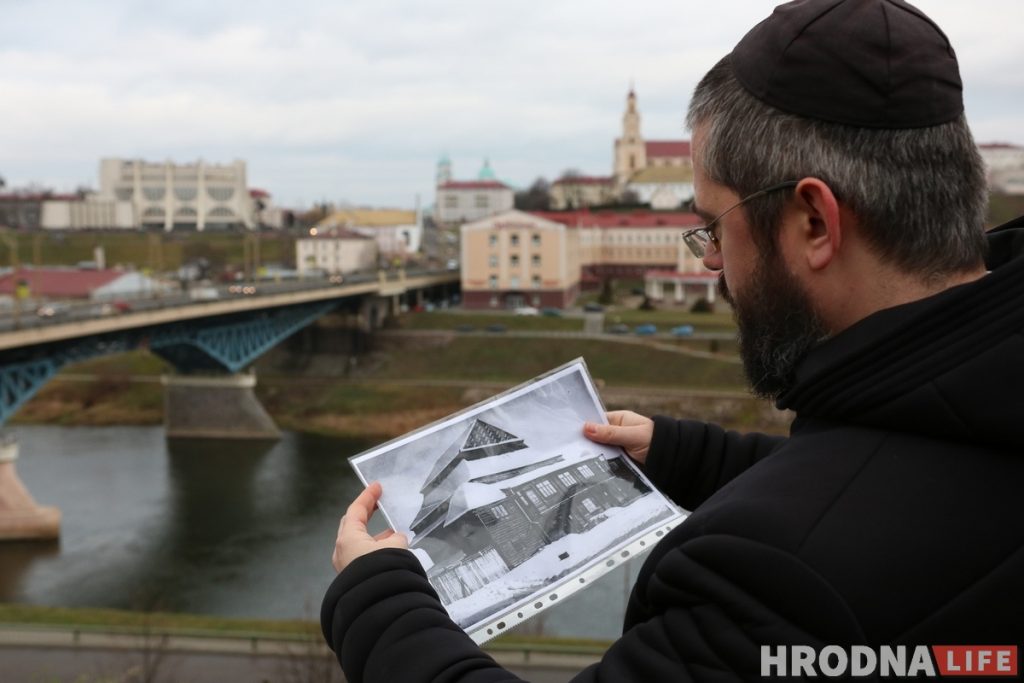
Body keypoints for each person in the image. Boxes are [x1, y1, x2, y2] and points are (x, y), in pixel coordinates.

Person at [321, 0, 1024, 679]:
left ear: (814, 222)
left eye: (714, 225)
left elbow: (846, 508)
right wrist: (688, 457)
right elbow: (897, 472)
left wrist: (378, 601)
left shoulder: (771, 578)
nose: (710, 260)